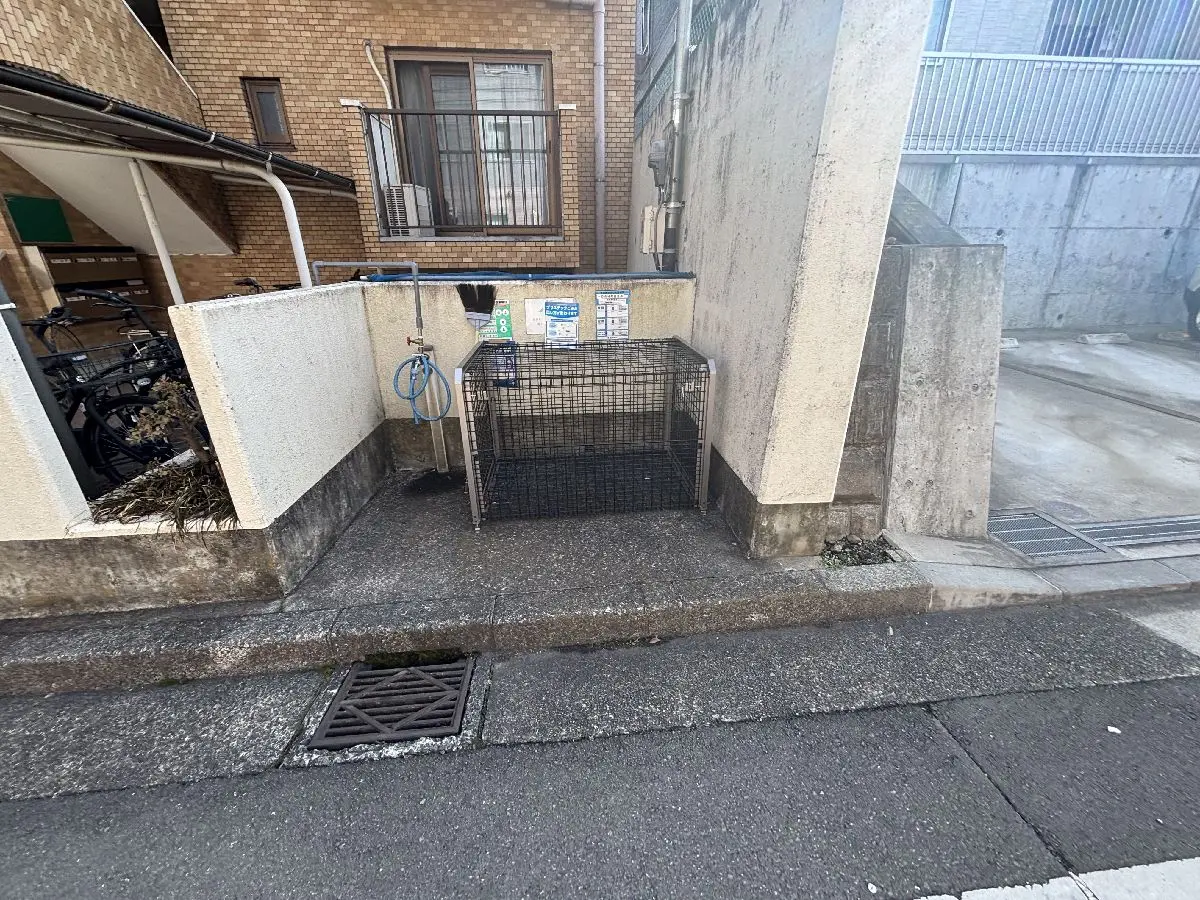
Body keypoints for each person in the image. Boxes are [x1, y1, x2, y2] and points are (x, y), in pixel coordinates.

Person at [1187, 262, 1200, 342]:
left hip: (1193, 290)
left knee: (1193, 314)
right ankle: (1195, 334)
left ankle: (1195, 334)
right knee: (1194, 314)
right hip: (1195, 290)